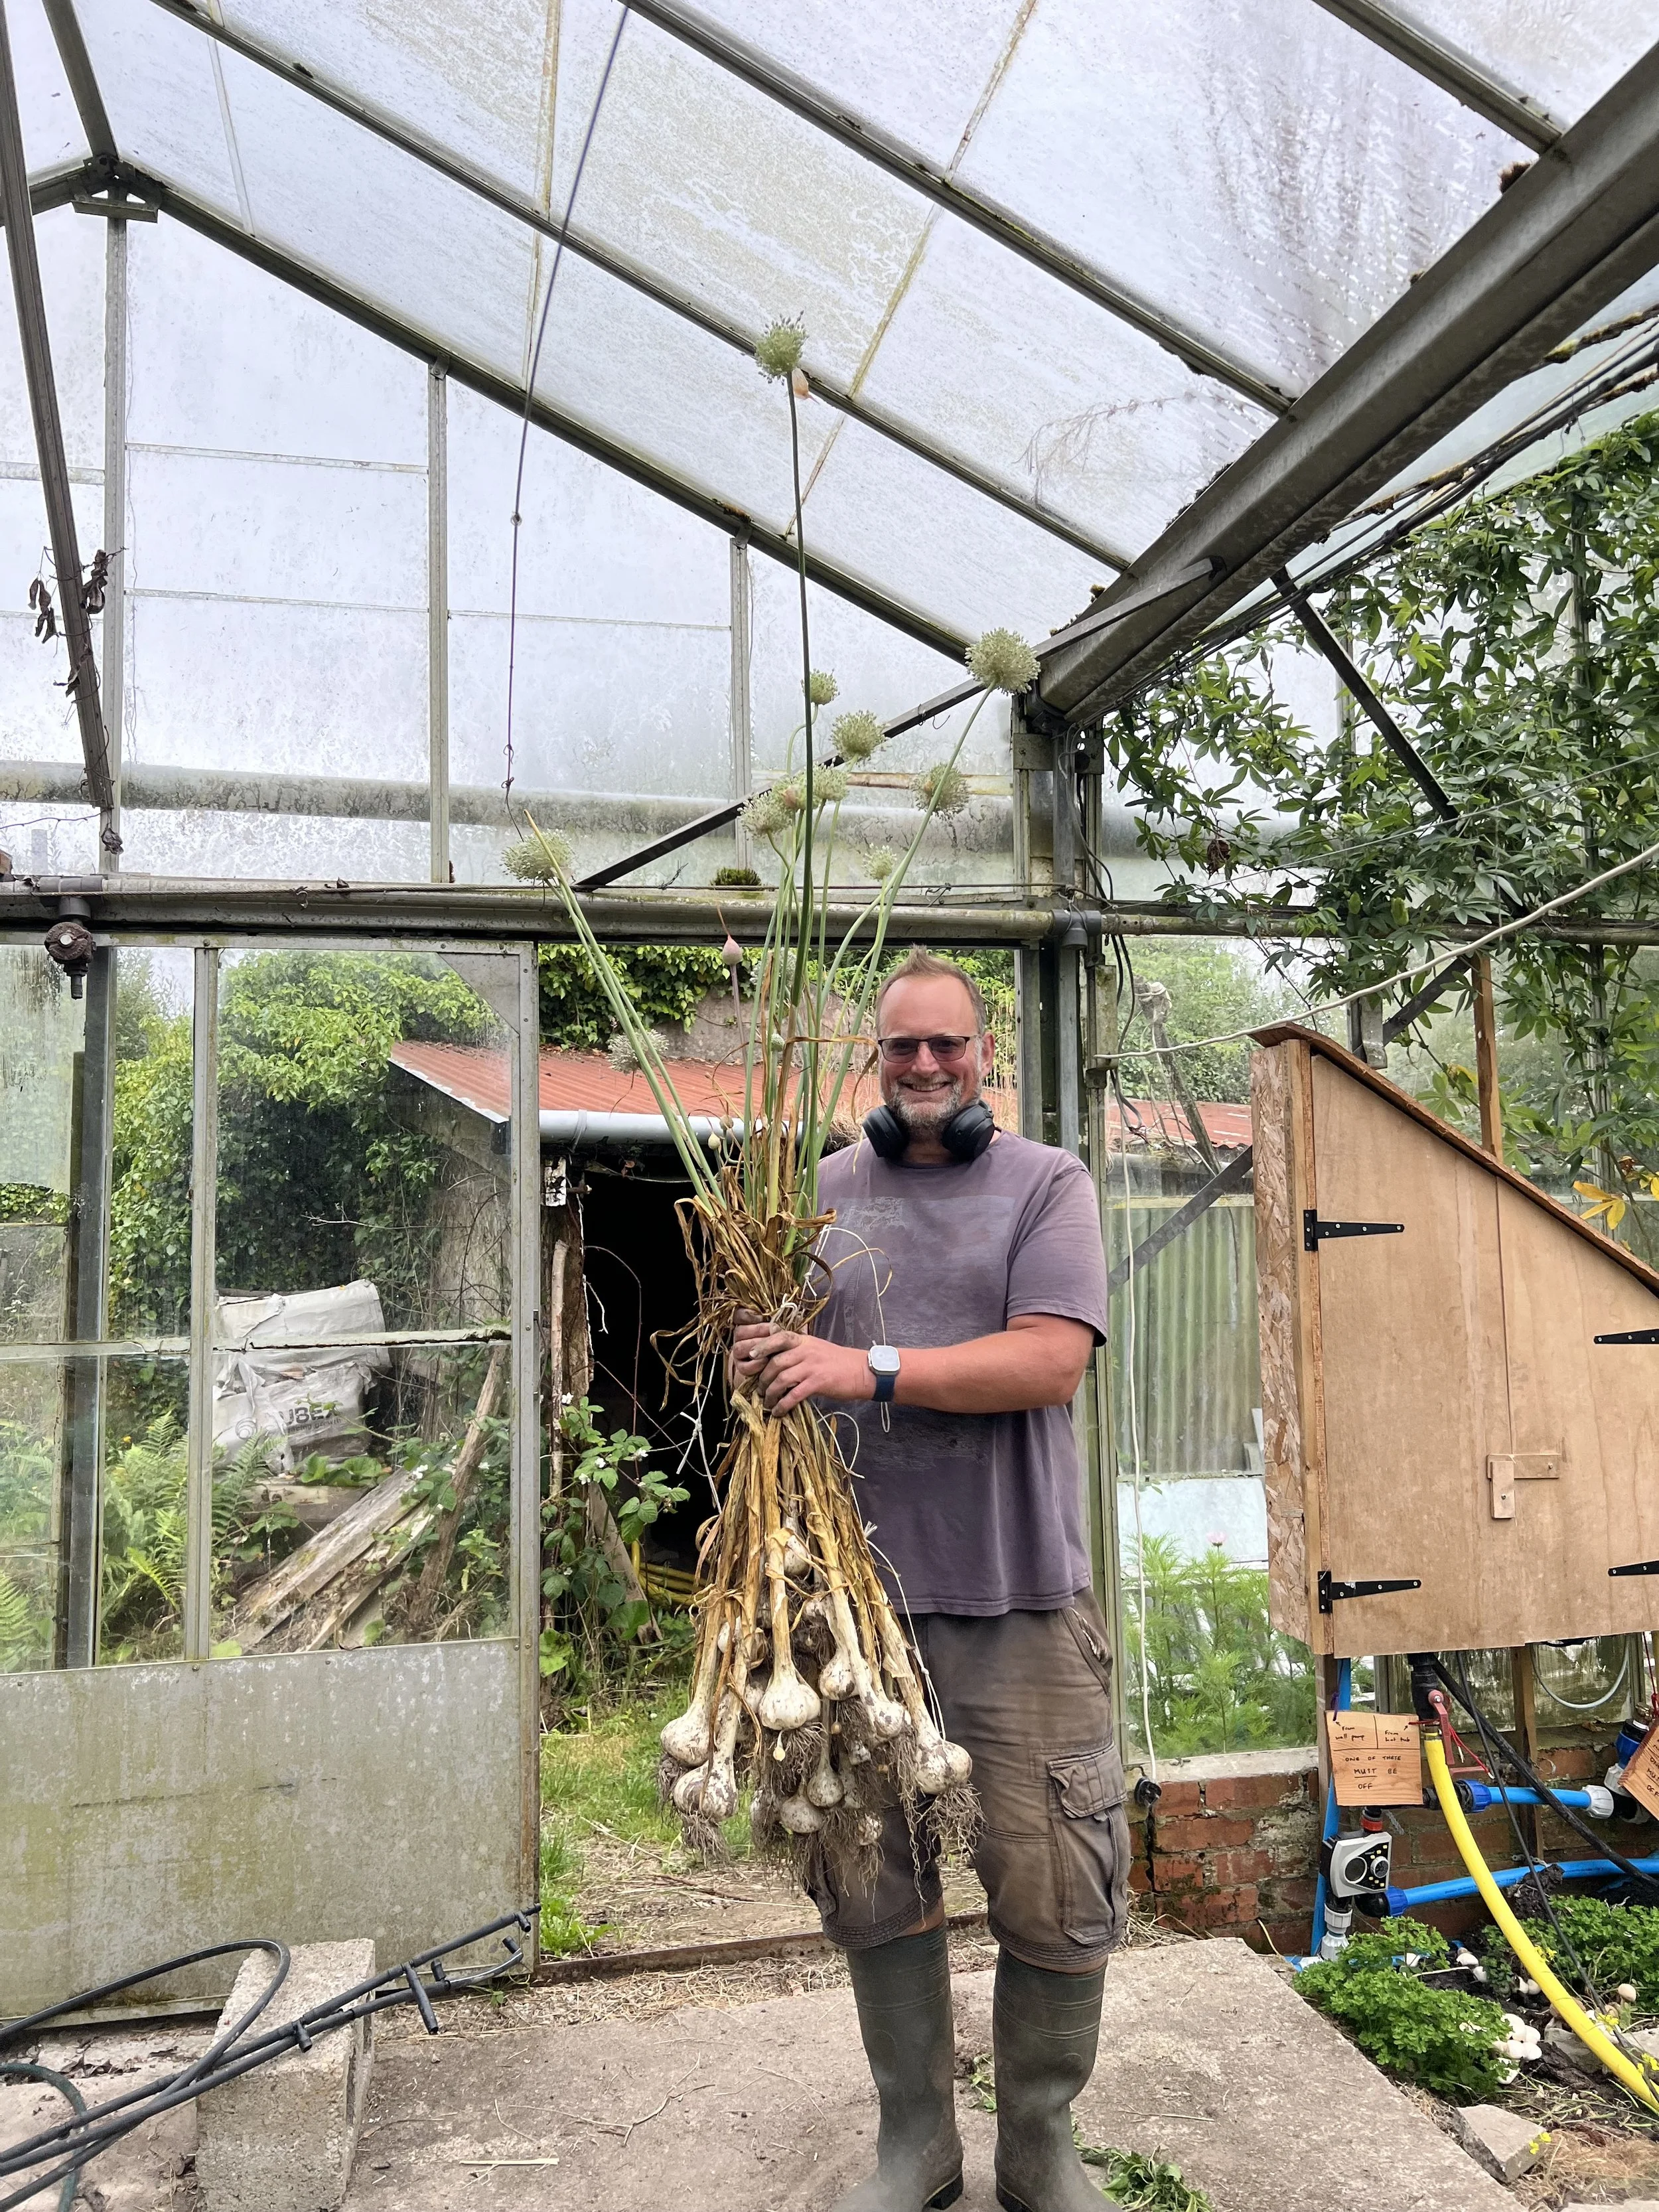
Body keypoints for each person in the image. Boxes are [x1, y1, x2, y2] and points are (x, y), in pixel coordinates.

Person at [732, 948, 1128, 2212]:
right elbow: (783, 1365)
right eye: (901, 1046)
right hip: (852, 1617)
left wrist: (868, 1368)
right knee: (870, 1871)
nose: (923, 1066)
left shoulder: (1045, 1185)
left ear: (982, 1056)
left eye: (946, 1045)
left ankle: (1040, 2146)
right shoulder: (822, 1196)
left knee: (1055, 1877)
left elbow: (1050, 1362)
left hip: (1017, 1603)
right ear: (875, 1059)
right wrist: (761, 1346)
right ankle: (918, 2141)